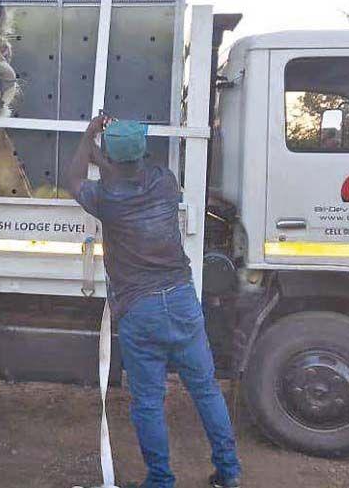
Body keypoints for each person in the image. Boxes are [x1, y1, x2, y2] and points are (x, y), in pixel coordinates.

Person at [66, 113, 242, 488]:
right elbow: (120, 171)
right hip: (181, 299)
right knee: (206, 389)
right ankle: (229, 472)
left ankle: (161, 480)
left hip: (139, 308)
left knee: (148, 401)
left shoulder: (106, 199)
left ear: (110, 161)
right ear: (142, 153)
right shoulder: (165, 182)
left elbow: (74, 178)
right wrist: (108, 149)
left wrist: (90, 135)